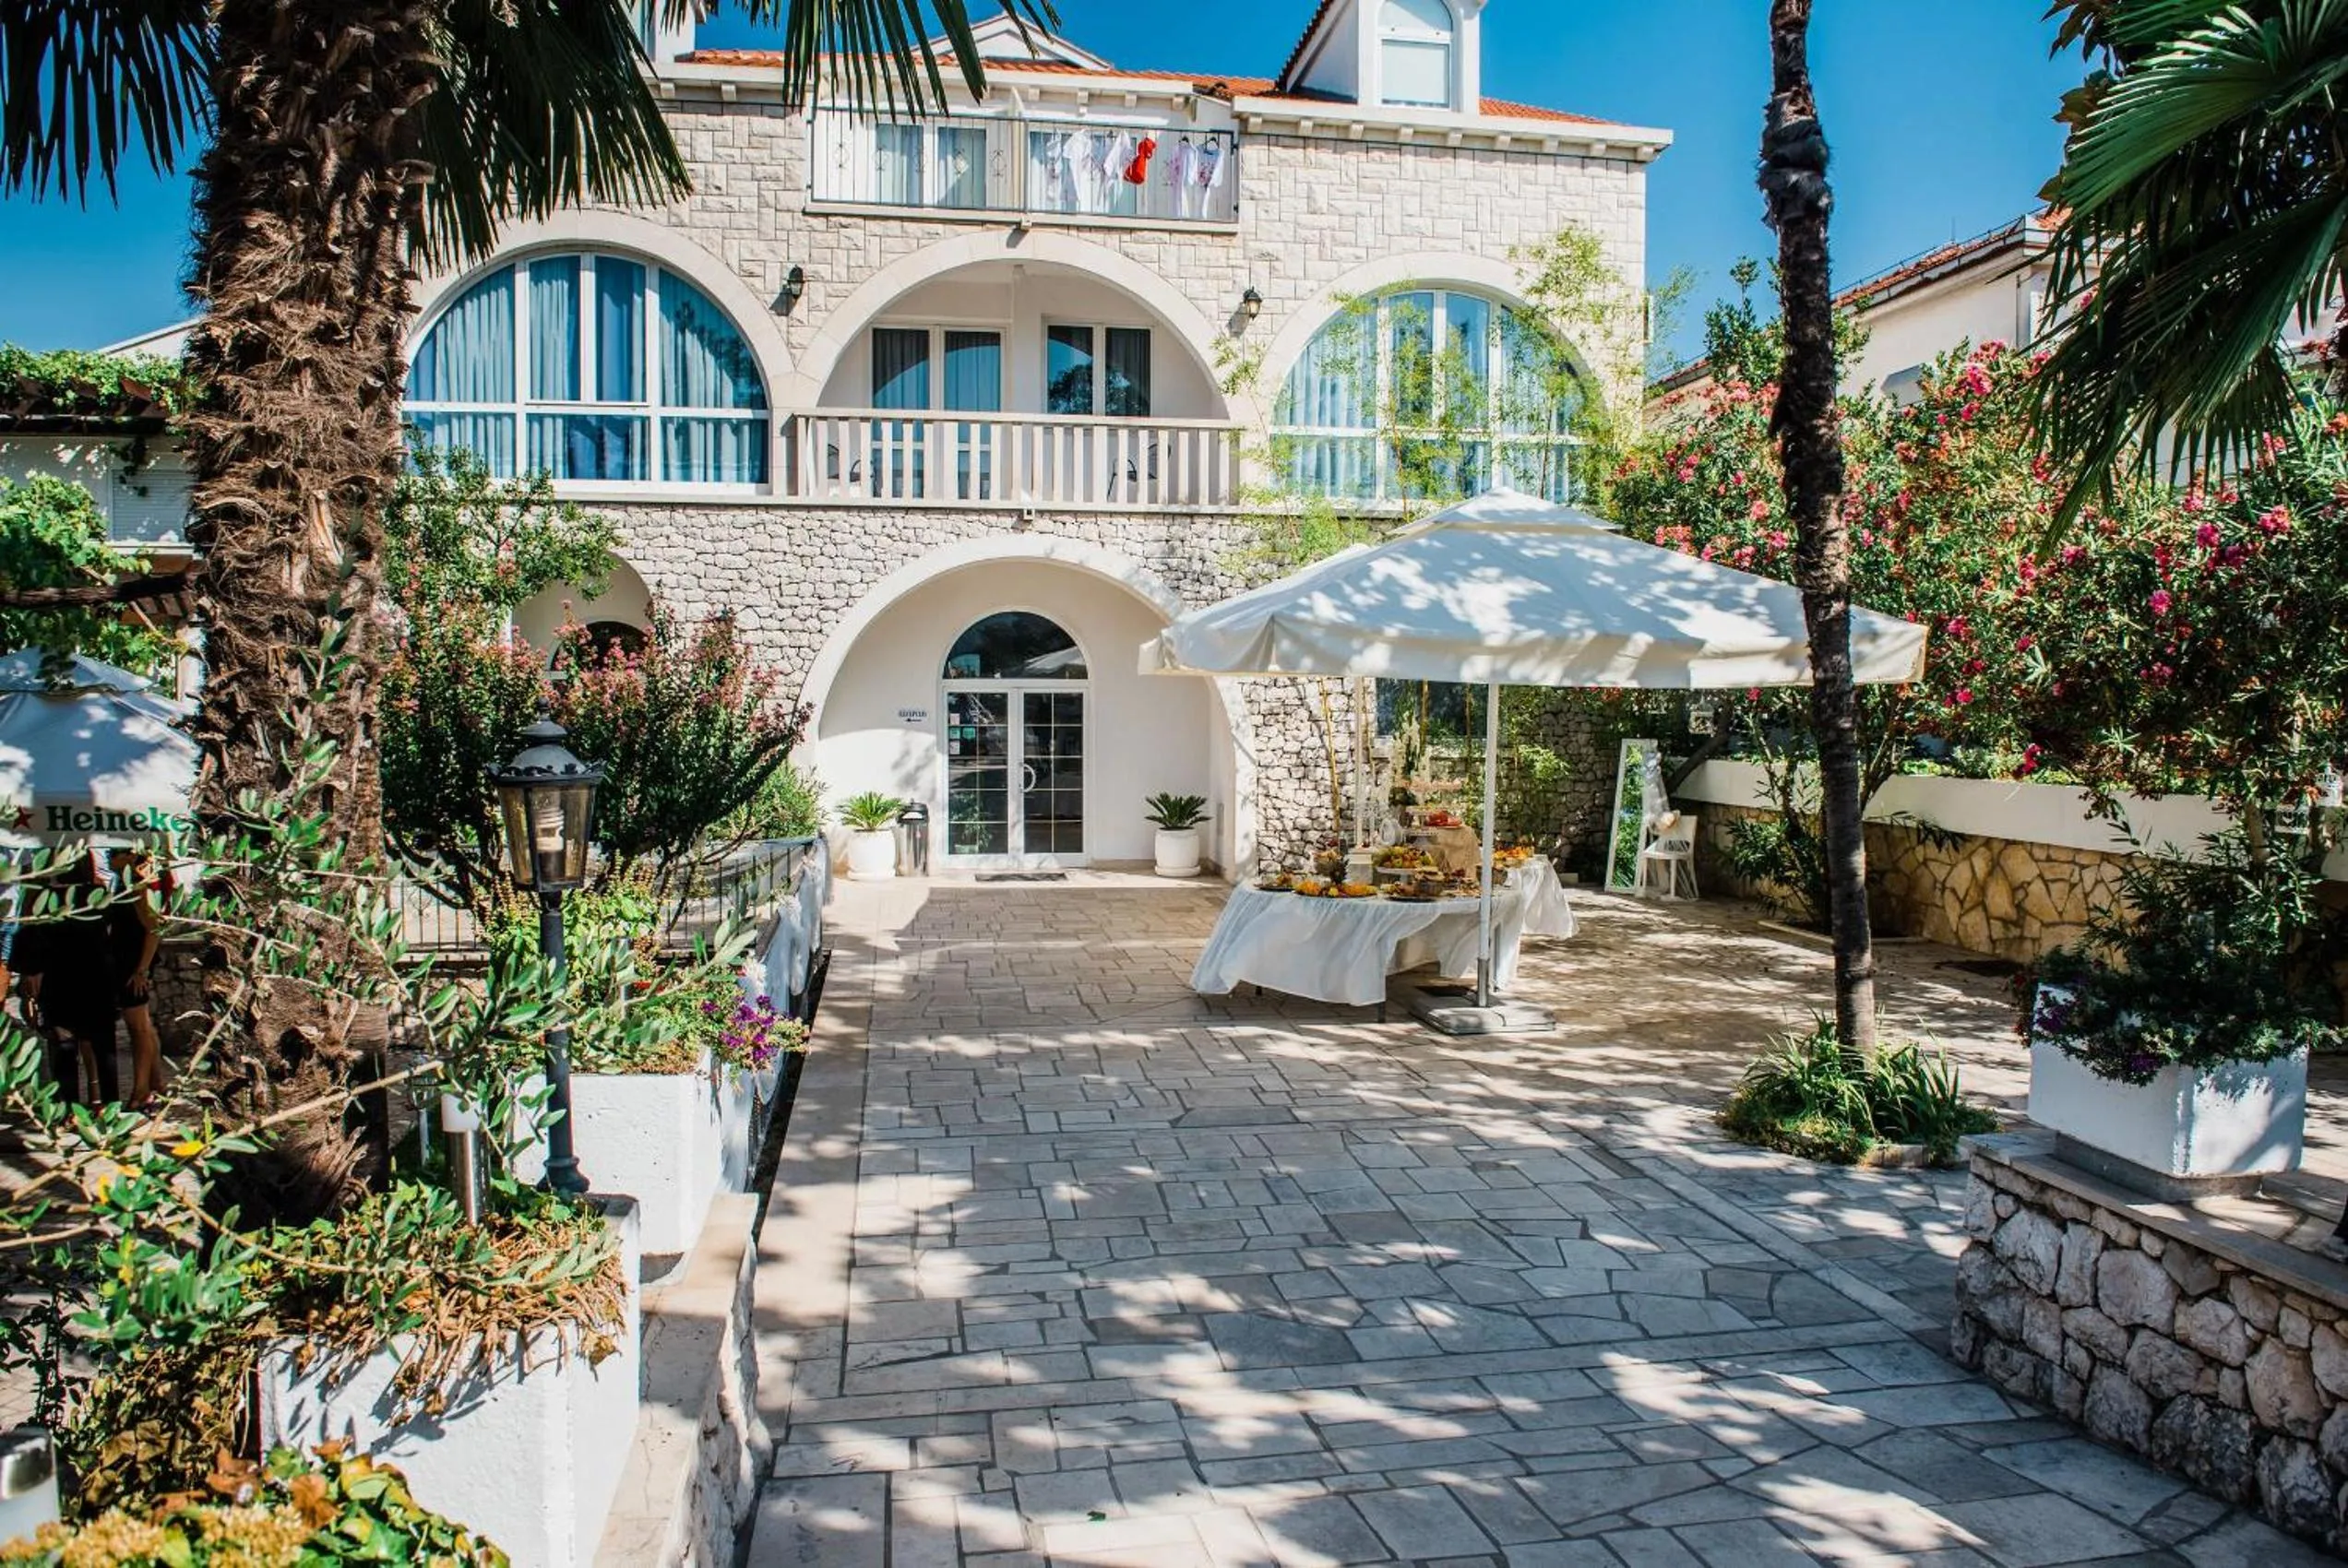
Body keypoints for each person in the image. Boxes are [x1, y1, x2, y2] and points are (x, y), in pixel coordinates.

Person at [17, 851, 123, 1105]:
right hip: (97, 979)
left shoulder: (45, 900)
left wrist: (30, 975)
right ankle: (110, 1108)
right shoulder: (99, 896)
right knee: (103, 1045)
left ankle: (69, 1110)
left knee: (64, 1045)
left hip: (59, 981)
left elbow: (30, 939)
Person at [108, 849, 164, 1107]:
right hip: (126, 962)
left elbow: (154, 929)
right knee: (144, 1026)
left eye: (114, 854)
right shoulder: (122, 882)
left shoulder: (139, 887)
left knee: (137, 1027)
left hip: (133, 966)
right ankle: (157, 1084)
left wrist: (141, 969)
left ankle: (140, 1091)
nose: (109, 859)